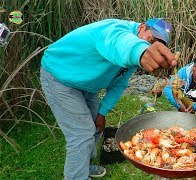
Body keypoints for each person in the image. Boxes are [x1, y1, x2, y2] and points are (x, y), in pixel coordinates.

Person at [39, 18, 176, 179]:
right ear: (142, 27)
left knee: (96, 127)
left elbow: (119, 84)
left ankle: (85, 165)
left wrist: (102, 113)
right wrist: (141, 51)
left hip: (87, 83)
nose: (150, 46)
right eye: (151, 40)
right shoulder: (115, 30)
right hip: (59, 76)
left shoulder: (134, 56)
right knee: (82, 134)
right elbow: (121, 43)